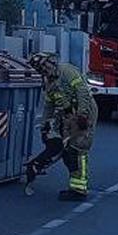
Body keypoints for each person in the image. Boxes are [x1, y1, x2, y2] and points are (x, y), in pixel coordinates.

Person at [24, 52, 97, 201]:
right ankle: (74, 182)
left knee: (78, 148)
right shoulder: (49, 83)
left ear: (51, 61)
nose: (44, 69)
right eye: (40, 68)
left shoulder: (67, 71)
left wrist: (82, 116)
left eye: (45, 65)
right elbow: (49, 106)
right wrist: (45, 124)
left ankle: (79, 190)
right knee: (67, 149)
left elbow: (82, 92)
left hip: (84, 109)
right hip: (68, 114)